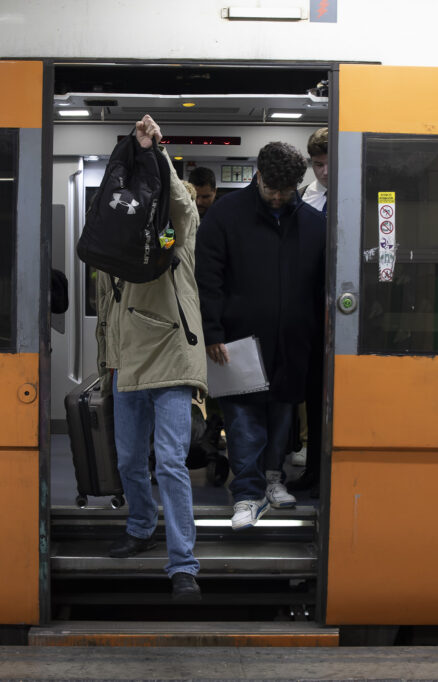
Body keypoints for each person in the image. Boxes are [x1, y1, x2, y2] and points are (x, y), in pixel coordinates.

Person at [95, 115, 206, 602]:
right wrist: (107, 365)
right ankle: (140, 527)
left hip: (171, 357)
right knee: (128, 459)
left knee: (170, 461)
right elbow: (107, 314)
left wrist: (157, 150)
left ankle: (183, 564)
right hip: (126, 364)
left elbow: (181, 208)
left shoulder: (173, 235)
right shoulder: (115, 243)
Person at [196, 141, 326, 530]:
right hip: (236, 342)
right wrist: (212, 331)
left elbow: (322, 286)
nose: (277, 197)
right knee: (243, 422)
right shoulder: (225, 216)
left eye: (286, 191)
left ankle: (273, 479)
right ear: (258, 175)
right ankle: (248, 494)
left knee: (281, 416)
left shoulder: (313, 224)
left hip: (293, 340)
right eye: (271, 188)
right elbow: (208, 279)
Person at [290, 127, 329, 497]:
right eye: (318, 165)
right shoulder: (303, 200)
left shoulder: (360, 198)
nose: (324, 172)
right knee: (313, 397)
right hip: (310, 311)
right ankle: (314, 470)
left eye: (330, 164)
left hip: (346, 313)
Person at [301, 127, 328, 214]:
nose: (326, 172)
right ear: (312, 164)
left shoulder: (362, 199)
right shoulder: (299, 199)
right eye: (319, 165)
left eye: (332, 165)